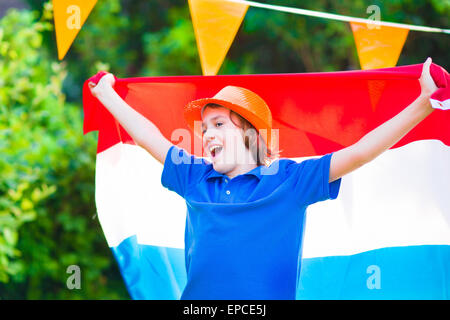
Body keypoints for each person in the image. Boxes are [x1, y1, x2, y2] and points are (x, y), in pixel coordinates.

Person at [88, 58, 438, 299]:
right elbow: (150, 137)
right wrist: (106, 95)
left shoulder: (290, 180)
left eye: (220, 125)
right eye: (205, 128)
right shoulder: (195, 176)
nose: (208, 135)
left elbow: (360, 151)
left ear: (252, 136)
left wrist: (424, 103)